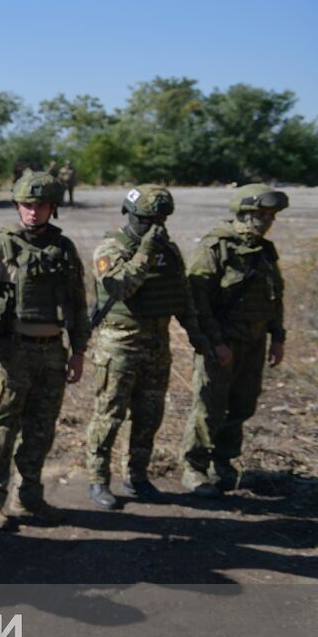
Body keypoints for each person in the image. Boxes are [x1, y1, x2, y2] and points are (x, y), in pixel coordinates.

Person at [0, 172, 88, 530]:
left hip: (52, 351)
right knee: (1, 430)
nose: (33, 212)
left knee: (41, 429)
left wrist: (78, 350)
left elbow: (78, 305)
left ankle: (29, 497)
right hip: (11, 353)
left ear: (53, 207)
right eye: (27, 205)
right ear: (17, 206)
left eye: (41, 206)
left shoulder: (64, 248)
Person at [83, 186, 211, 508]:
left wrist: (198, 336)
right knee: (109, 415)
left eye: (161, 220)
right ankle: (98, 479)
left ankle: (137, 477)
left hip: (157, 345)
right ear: (129, 215)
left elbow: (182, 297)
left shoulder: (167, 251)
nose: (156, 227)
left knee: (149, 415)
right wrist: (144, 251)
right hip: (120, 345)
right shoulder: (110, 248)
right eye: (147, 220)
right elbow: (121, 286)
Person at [180, 184, 289, 495]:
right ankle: (194, 467)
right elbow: (198, 303)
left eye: (270, 216)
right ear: (242, 213)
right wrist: (215, 343)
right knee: (209, 407)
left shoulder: (264, 251)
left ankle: (223, 463)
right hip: (222, 343)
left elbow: (274, 297)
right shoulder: (215, 248)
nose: (265, 221)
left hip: (254, 343)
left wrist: (277, 337)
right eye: (259, 214)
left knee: (242, 405)